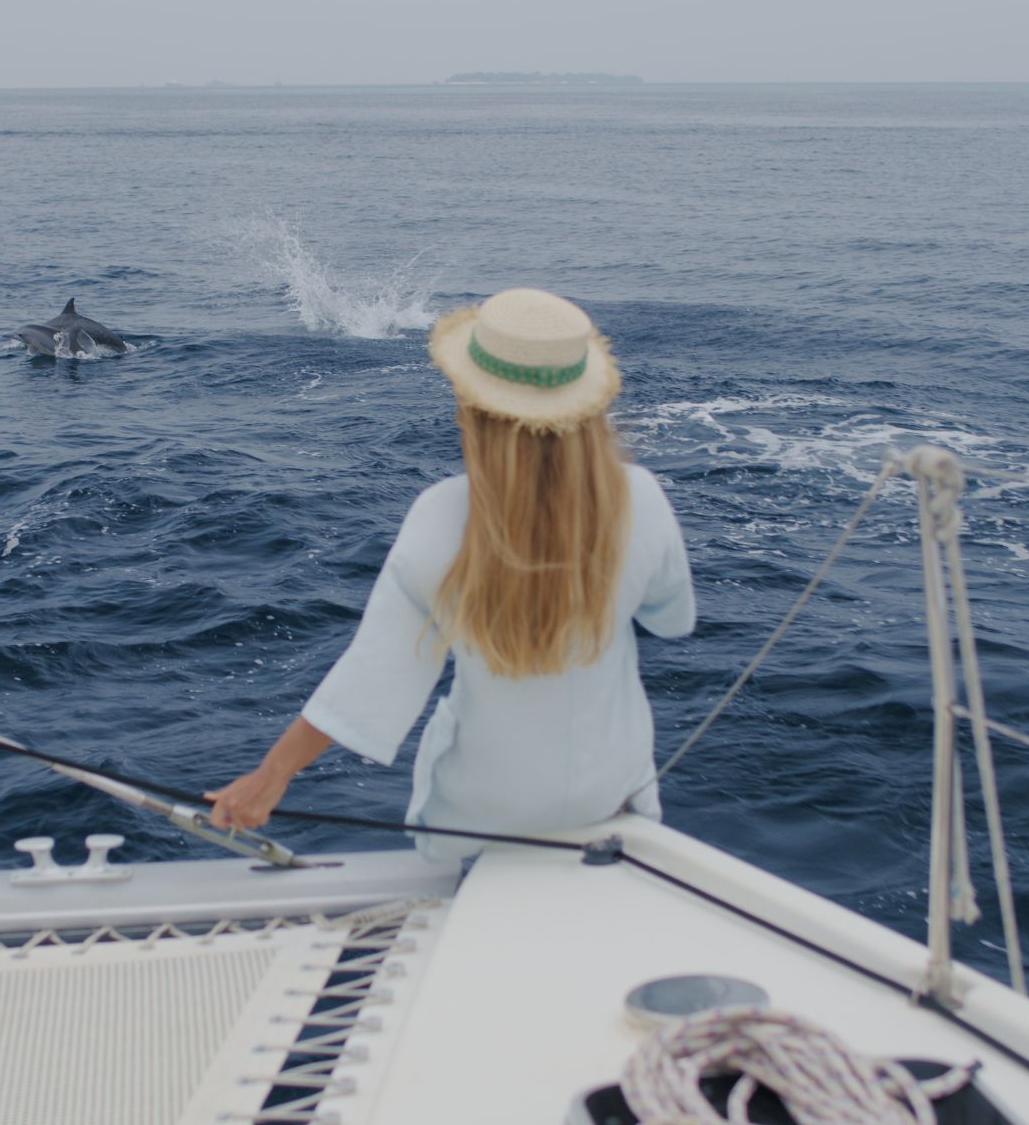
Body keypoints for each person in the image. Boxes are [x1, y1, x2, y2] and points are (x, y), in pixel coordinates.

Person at [206, 288, 696, 858]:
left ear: (471, 407)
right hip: (613, 804)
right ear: (587, 404)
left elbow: (371, 682)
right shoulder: (642, 498)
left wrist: (271, 776)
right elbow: (673, 620)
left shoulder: (439, 518)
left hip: (477, 823)